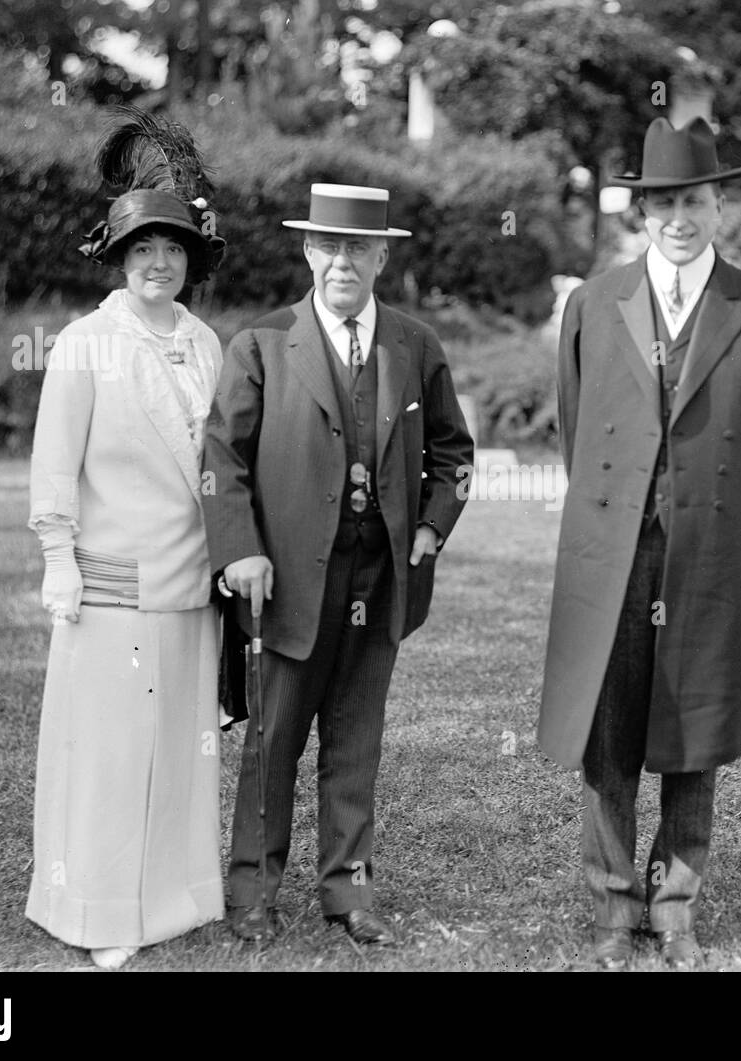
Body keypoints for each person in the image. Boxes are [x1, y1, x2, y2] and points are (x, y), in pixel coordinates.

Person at [537, 117, 741, 969]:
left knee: (697, 728)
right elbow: (578, 433)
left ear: (720, 205)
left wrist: (717, 527)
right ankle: (615, 906)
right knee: (608, 731)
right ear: (640, 211)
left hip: (711, 551)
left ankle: (675, 903)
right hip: (613, 551)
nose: (677, 216)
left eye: (693, 199)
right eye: (661, 202)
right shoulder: (593, 302)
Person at [204, 183, 473, 946]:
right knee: (275, 740)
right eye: (330, 246)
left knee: (356, 743)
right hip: (287, 579)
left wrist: (431, 526)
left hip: (380, 577)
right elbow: (221, 460)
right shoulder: (261, 342)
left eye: (359, 247)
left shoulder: (414, 344)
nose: (343, 261)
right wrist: (241, 550)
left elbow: (455, 453)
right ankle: (252, 889)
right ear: (308, 251)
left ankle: (348, 892)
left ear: (382, 255)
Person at [26, 109, 227, 970]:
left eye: (174, 249)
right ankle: (100, 910)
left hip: (191, 584)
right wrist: (58, 557)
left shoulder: (207, 343)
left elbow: (220, 466)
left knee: (183, 748)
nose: (158, 262)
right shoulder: (83, 345)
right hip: (109, 583)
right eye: (143, 248)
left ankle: (176, 898)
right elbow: (52, 465)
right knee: (109, 755)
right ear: (118, 256)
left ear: (191, 261)